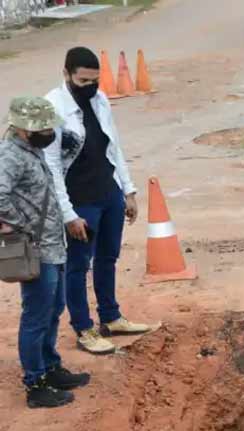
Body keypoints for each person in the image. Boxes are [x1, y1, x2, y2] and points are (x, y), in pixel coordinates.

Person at [44, 47, 149, 356]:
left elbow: (113, 146)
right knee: (78, 266)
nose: (90, 87)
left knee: (108, 258)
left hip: (108, 193)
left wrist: (128, 191)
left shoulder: (100, 99)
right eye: (83, 81)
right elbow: (52, 167)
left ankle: (111, 317)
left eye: (94, 81)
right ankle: (83, 328)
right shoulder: (53, 107)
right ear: (66, 74)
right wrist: (68, 214)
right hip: (79, 201)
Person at [0, 97, 91, 408]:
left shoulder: (32, 149)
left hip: (52, 245)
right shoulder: (10, 155)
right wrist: (20, 225)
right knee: (37, 316)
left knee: (54, 309)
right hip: (35, 248)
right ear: (24, 129)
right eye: (44, 128)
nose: (50, 133)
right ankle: (35, 383)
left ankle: (51, 367)